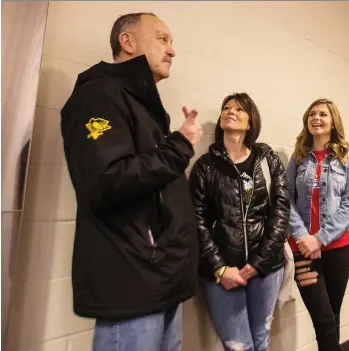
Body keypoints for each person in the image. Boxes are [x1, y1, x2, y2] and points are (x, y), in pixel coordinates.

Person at [61, 12, 203, 351]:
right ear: (127, 41)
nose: (172, 50)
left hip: (161, 281)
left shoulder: (144, 107)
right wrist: (180, 145)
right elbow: (108, 181)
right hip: (133, 284)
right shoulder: (98, 96)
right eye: (162, 38)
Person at [189, 93, 290, 351]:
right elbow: (196, 219)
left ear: (250, 123)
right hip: (223, 271)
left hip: (266, 268)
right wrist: (220, 268)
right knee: (238, 347)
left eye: (239, 109)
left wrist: (259, 263)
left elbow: (280, 213)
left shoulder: (267, 161)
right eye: (226, 108)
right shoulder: (205, 166)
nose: (230, 111)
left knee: (261, 340)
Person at [286, 99, 349, 351]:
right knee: (324, 319)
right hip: (303, 249)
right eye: (312, 114)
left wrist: (320, 238)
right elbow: (285, 200)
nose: (316, 118)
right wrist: (303, 238)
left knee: (331, 317)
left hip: (339, 249)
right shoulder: (298, 158)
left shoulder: (348, 159)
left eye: (323, 114)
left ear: (333, 122)